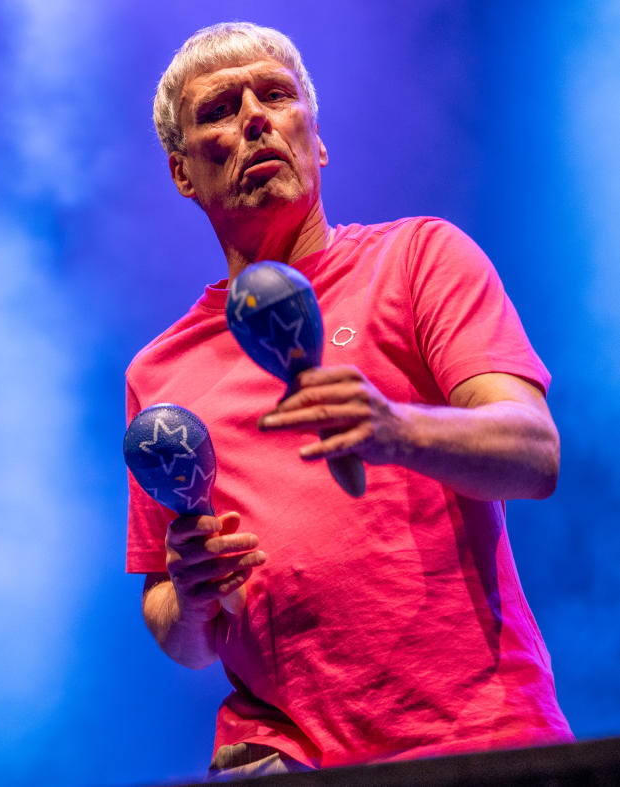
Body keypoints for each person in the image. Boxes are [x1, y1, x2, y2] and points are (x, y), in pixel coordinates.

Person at [126, 21, 572, 778]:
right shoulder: (159, 370)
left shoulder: (420, 259)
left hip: (476, 732)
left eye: (275, 95)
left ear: (317, 139)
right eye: (219, 110)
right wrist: (193, 595)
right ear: (181, 172)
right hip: (280, 749)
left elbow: (534, 456)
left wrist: (397, 429)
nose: (253, 119)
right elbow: (180, 633)